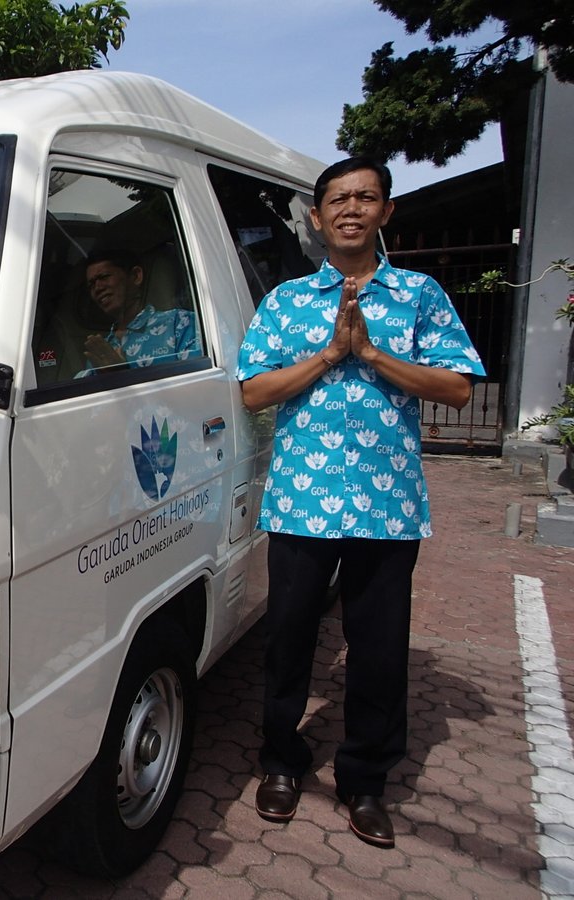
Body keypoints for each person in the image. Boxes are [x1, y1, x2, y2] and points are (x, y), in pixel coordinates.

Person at [235, 157, 485, 848]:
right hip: (300, 502)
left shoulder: (421, 294)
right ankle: (281, 763)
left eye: (366, 197)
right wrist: (327, 356)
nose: (351, 208)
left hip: (387, 507)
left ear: (386, 212)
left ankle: (365, 780)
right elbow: (253, 392)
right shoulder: (286, 300)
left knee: (377, 651)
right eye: (338, 199)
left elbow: (459, 388)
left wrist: (372, 355)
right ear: (316, 218)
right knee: (287, 641)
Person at [77, 249, 200, 375]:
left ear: (136, 276)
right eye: (91, 285)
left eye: (103, 277)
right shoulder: (100, 350)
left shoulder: (180, 323)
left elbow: (201, 384)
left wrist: (122, 375)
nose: (97, 288)